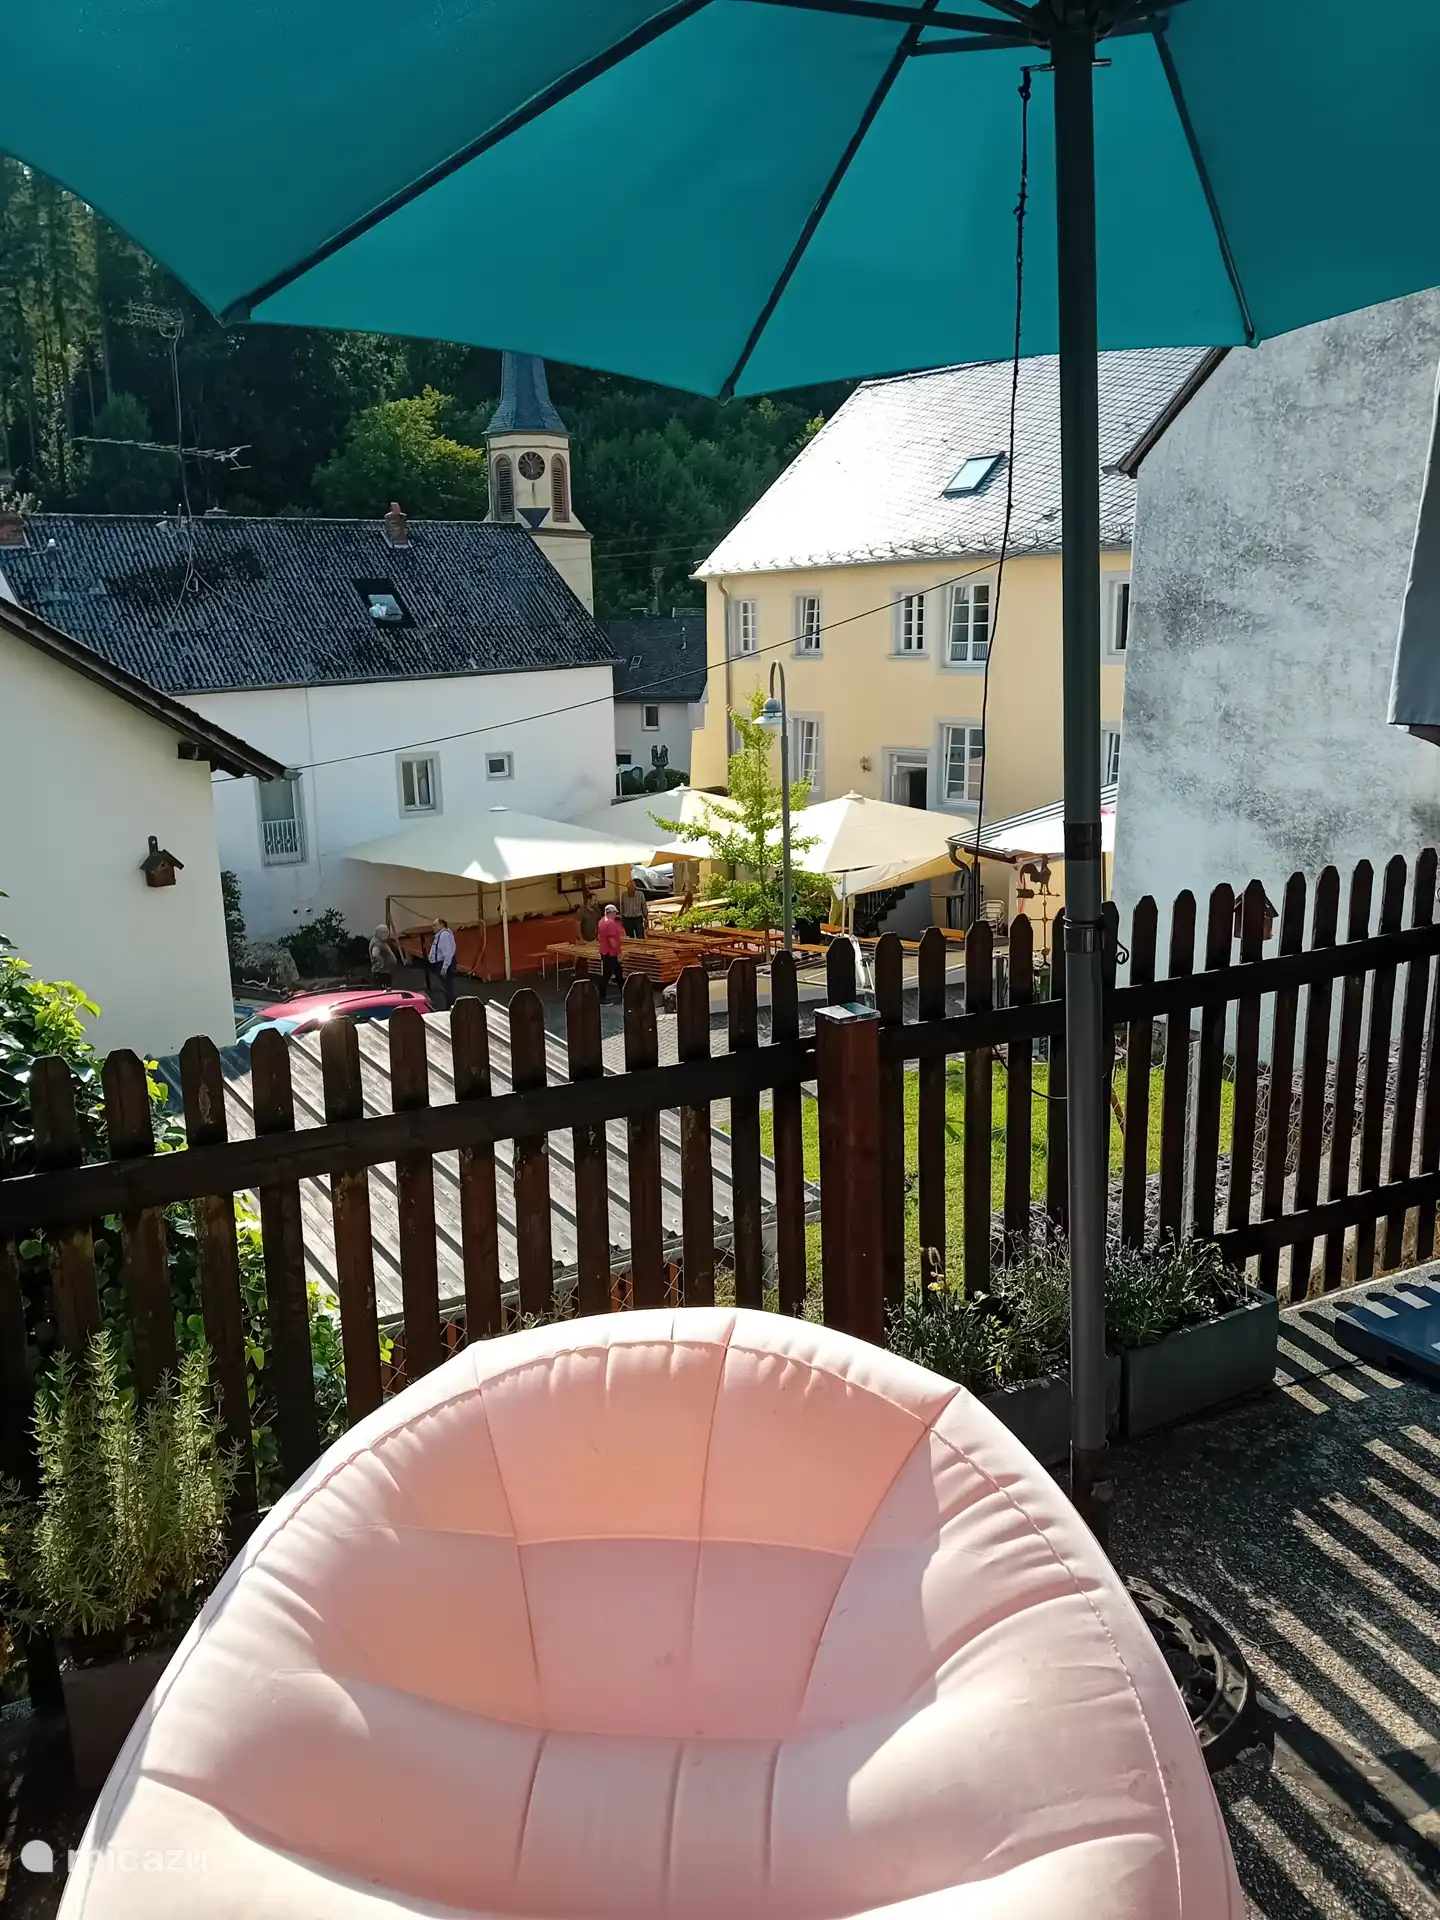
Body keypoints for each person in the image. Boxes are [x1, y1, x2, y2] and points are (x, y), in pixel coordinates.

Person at [596, 903, 624, 1001]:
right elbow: (612, 940)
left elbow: (599, 937)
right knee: (608, 975)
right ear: (611, 913)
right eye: (615, 913)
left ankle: (624, 993)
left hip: (604, 951)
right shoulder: (610, 923)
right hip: (610, 953)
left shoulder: (601, 921)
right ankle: (601, 997)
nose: (615, 915)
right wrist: (618, 952)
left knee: (618, 972)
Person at [428, 918, 458, 1007]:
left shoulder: (444, 936)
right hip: (440, 963)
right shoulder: (440, 935)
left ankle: (450, 1006)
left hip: (443, 964)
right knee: (445, 986)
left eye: (435, 925)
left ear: (441, 926)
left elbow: (448, 953)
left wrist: (444, 968)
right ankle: (449, 1004)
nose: (433, 927)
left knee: (447, 987)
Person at [619, 876, 648, 940]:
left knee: (640, 938)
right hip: (627, 919)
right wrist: (622, 919)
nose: (630, 890)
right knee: (630, 938)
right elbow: (622, 907)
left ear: (635, 888)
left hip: (637, 919)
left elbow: (644, 907)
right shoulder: (624, 895)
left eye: (632, 889)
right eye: (629, 889)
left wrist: (646, 918)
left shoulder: (640, 894)